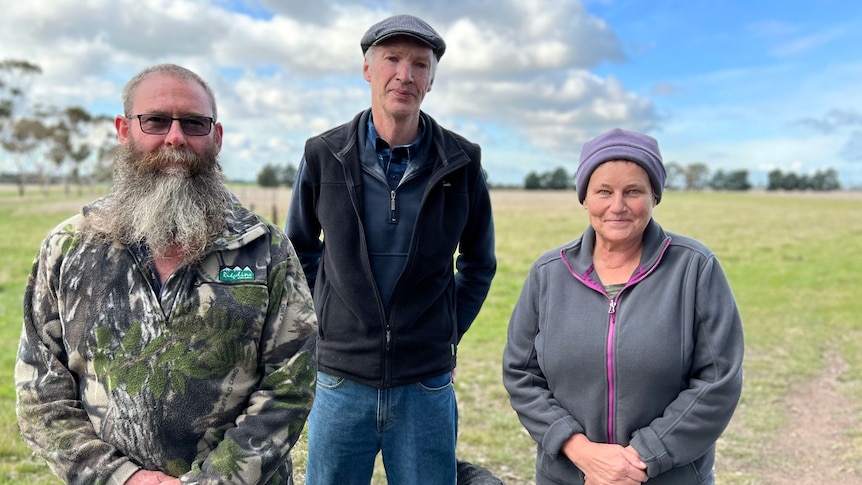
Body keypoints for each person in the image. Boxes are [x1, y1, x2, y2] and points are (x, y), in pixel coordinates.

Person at [14, 63, 318, 485]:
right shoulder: (68, 248)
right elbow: (41, 392)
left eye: (194, 123)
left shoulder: (265, 249)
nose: (175, 137)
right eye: (156, 120)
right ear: (124, 130)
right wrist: (122, 477)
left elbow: (291, 387)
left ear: (216, 137)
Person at [286, 14, 497, 485]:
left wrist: (445, 331)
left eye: (419, 64)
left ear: (431, 80)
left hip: (425, 383)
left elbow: (479, 264)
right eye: (392, 60)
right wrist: (333, 318)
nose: (405, 74)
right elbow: (299, 249)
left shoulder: (462, 163)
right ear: (367, 70)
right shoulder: (323, 154)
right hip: (339, 381)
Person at [503, 128, 744, 485]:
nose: (617, 206)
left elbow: (718, 379)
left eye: (633, 191)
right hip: (569, 476)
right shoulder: (548, 274)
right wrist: (583, 453)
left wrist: (640, 458)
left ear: (654, 197)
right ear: (584, 197)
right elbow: (521, 375)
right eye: (604, 191)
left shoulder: (695, 268)